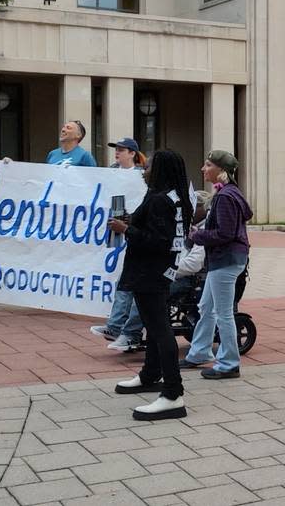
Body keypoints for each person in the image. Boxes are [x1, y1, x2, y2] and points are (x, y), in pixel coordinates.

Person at [108, 149, 191, 421]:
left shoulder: (159, 200)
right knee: (154, 327)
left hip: (149, 273)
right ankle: (150, 375)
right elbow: (163, 233)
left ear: (161, 170)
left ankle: (172, 394)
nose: (144, 170)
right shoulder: (172, 197)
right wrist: (134, 222)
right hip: (161, 272)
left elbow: (158, 241)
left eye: (149, 167)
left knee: (160, 330)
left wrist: (126, 230)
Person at [181, 150, 252, 379]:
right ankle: (200, 352)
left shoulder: (225, 197)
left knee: (223, 313)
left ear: (221, 171)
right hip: (224, 260)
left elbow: (225, 233)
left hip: (226, 260)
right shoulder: (229, 193)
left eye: (208, 164)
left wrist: (197, 236)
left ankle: (229, 363)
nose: (203, 169)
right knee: (206, 308)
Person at [90, 137, 149, 348]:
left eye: (122, 150)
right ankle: (116, 326)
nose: (117, 153)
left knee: (128, 281)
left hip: (132, 230)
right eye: (116, 149)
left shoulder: (141, 176)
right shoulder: (111, 172)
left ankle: (122, 329)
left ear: (132, 153)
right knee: (123, 281)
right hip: (116, 229)